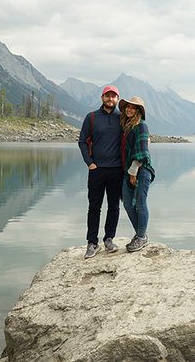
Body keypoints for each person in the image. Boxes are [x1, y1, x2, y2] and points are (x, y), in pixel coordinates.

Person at [78, 85, 123, 259]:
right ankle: (92, 243)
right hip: (96, 170)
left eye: (113, 96)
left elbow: (133, 134)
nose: (110, 99)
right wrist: (89, 163)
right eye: (107, 96)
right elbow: (82, 141)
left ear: (117, 99)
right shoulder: (92, 117)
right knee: (94, 207)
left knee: (114, 206)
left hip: (116, 170)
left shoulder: (122, 118)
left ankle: (109, 239)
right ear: (102, 97)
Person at [119, 96, 155, 252]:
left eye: (133, 107)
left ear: (138, 111)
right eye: (128, 106)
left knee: (140, 203)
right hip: (129, 171)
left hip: (141, 171)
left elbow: (141, 153)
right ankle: (140, 234)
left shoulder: (141, 126)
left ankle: (141, 236)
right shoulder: (127, 127)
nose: (129, 109)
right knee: (127, 203)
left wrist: (133, 172)